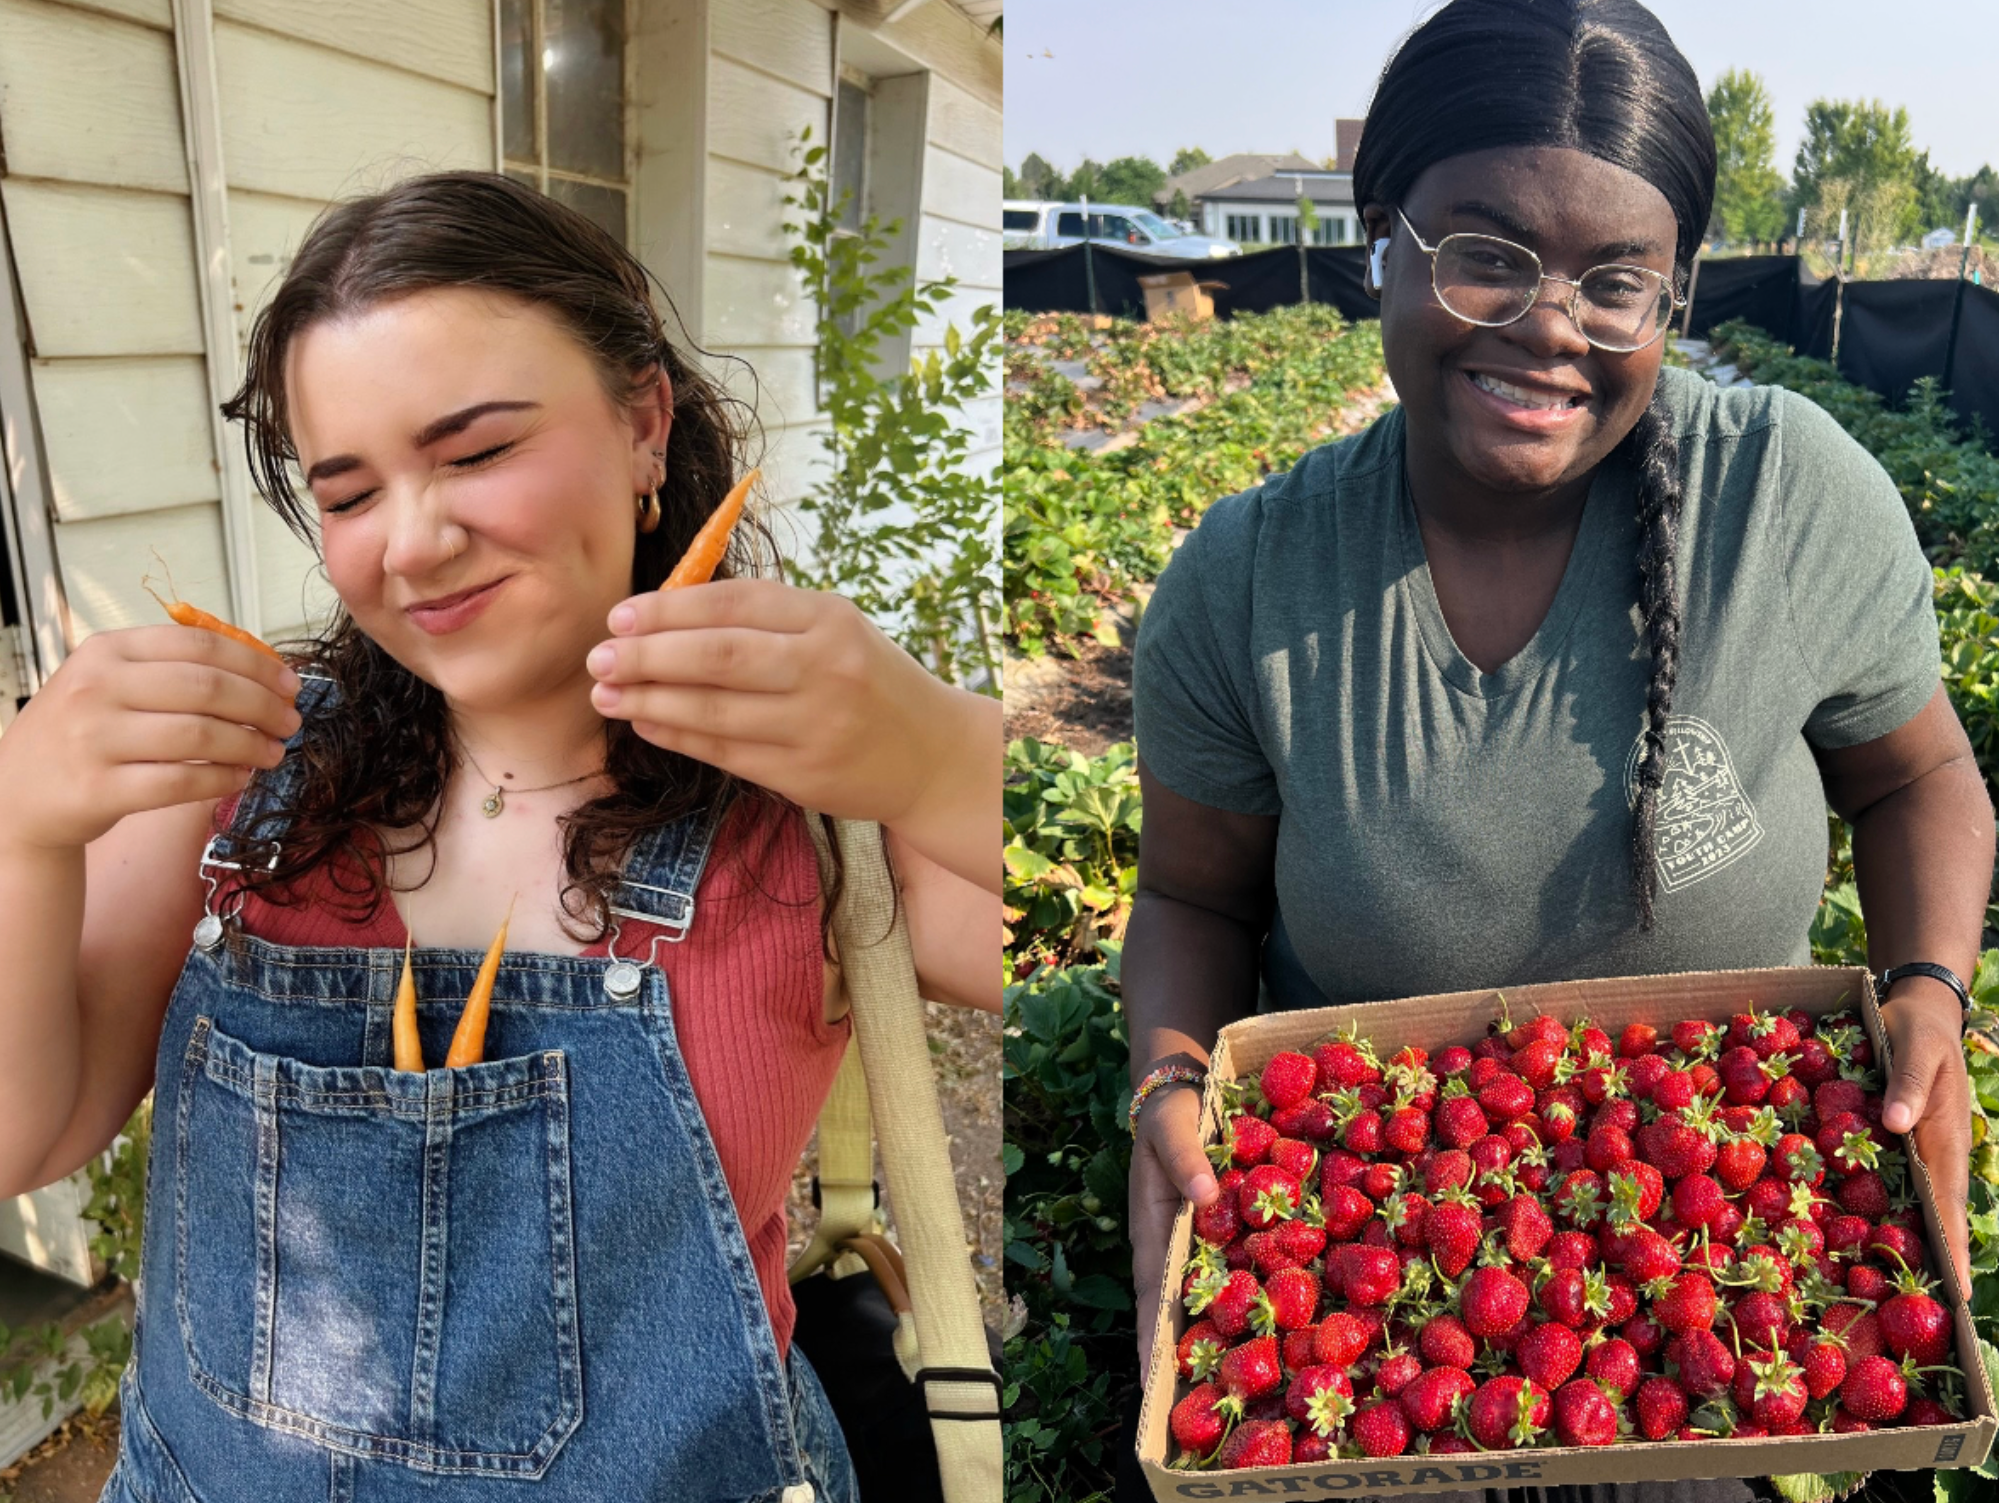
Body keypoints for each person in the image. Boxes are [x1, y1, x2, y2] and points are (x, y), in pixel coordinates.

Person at [0, 171, 998, 1502]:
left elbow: (1148, 931)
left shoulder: (804, 817)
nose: (411, 542)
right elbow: (31, 1134)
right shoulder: (238, 773)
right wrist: (21, 831)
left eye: (474, 452)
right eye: (348, 492)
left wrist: (939, 750)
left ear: (645, 421)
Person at [1121, 0, 1985, 1495]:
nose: (1545, 324)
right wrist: (1167, 1087)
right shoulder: (1248, 576)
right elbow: (1194, 898)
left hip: (1727, 1229)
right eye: (1482, 254)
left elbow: (1918, 777)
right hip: (1365, 1219)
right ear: (1379, 237)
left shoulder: (1786, 496)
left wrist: (1923, 992)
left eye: (1614, 283)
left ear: (1674, 296)